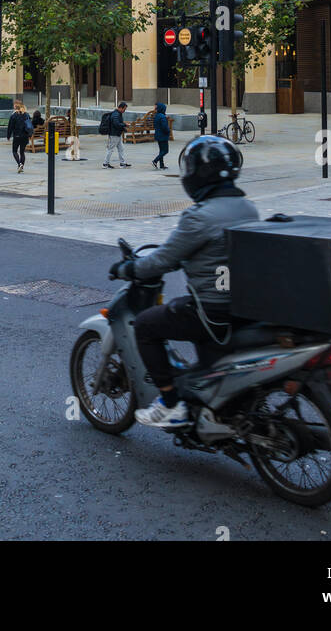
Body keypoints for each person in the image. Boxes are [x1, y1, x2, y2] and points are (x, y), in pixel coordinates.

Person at [108, 136, 259, 429]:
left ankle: (170, 402)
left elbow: (162, 260)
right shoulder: (247, 208)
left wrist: (128, 269)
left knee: (146, 325)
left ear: (197, 175)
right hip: (243, 305)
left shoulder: (199, 217)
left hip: (211, 309)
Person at [6, 100, 33, 173]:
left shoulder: (13, 115)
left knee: (14, 151)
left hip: (17, 136)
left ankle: (19, 164)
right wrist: (30, 134)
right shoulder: (26, 114)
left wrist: (8, 136)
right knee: (22, 152)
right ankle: (21, 166)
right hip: (25, 136)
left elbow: (10, 127)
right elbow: (29, 125)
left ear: (15, 106)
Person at [102, 102, 130, 169]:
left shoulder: (117, 113)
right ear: (120, 108)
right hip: (114, 134)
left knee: (121, 148)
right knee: (110, 149)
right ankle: (105, 163)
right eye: (124, 109)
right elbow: (116, 124)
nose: (124, 111)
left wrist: (123, 126)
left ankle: (122, 163)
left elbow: (118, 123)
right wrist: (125, 125)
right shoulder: (116, 114)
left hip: (117, 134)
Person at [151, 102, 170, 170]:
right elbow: (164, 127)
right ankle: (155, 161)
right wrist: (168, 131)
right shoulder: (162, 117)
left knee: (161, 150)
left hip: (158, 135)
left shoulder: (157, 115)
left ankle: (162, 165)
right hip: (163, 136)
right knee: (165, 151)